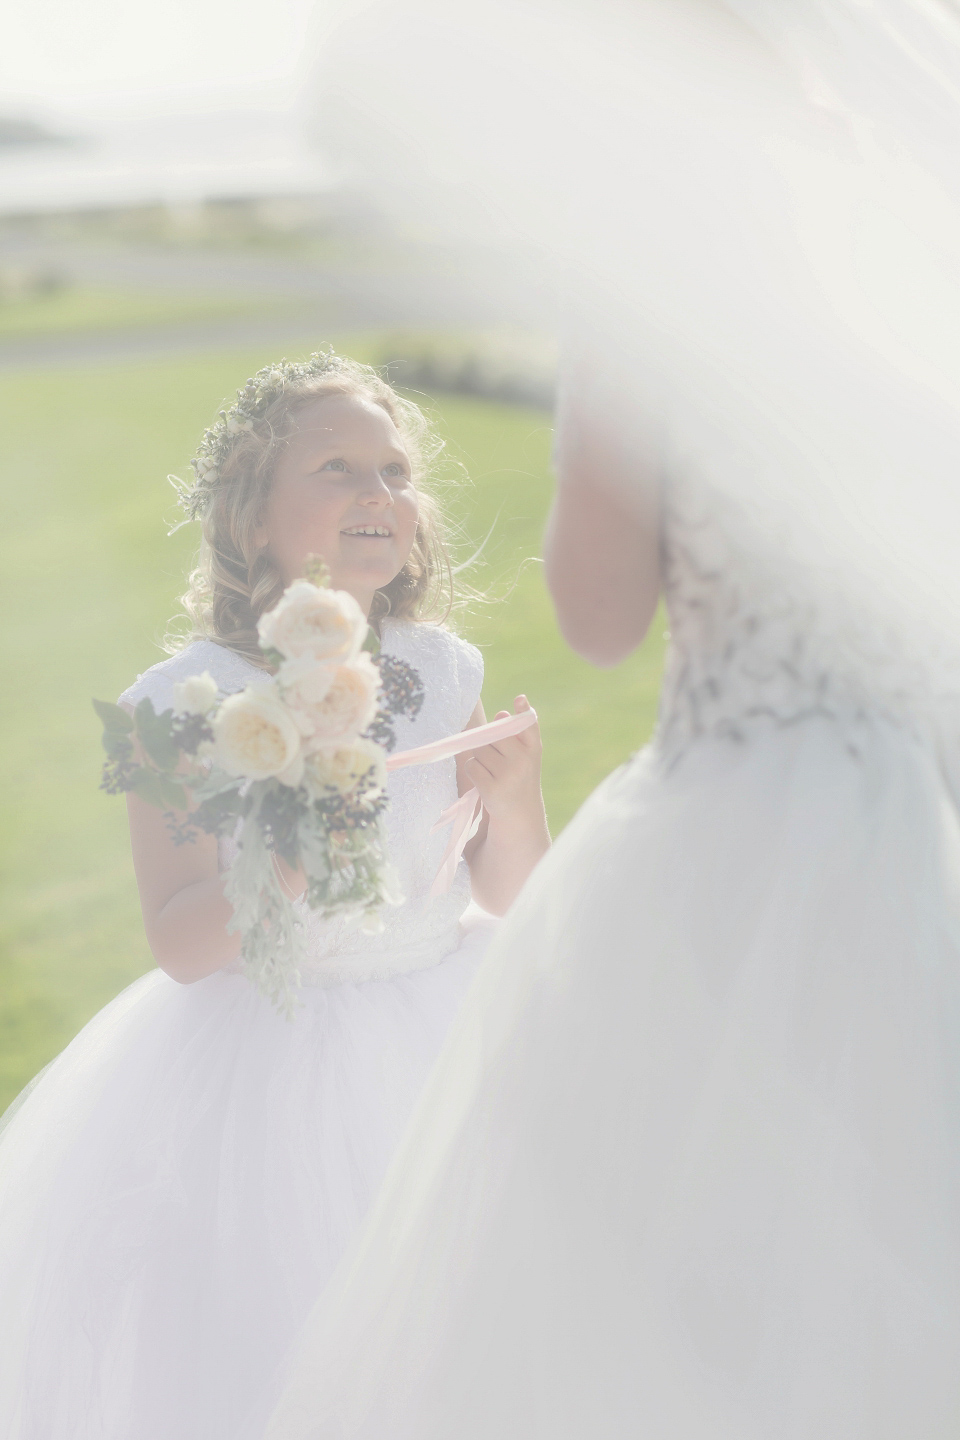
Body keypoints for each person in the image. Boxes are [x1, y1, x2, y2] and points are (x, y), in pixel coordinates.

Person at [260, 6, 960, 1436]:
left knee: (673, 1275)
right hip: (921, 804)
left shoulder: (658, 294)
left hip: (740, 820)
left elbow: (595, 614)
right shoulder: (910, 263)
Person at [0, 352, 550, 1440]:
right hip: (273, 1057)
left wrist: (519, 798)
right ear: (254, 518)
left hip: (445, 1018)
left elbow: (511, 886)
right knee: (302, 1343)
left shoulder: (443, 667)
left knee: (468, 1328)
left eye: (394, 471)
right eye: (338, 468)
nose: (378, 494)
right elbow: (182, 941)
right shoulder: (179, 703)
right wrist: (287, 855)